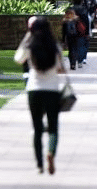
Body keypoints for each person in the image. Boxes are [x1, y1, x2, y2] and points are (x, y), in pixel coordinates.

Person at [14, 17, 66, 175]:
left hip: (34, 89)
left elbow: (18, 59)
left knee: (37, 128)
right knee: (53, 127)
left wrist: (27, 37)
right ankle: (50, 152)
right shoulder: (55, 47)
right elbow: (60, 69)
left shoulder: (30, 46)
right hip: (51, 90)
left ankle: (39, 164)